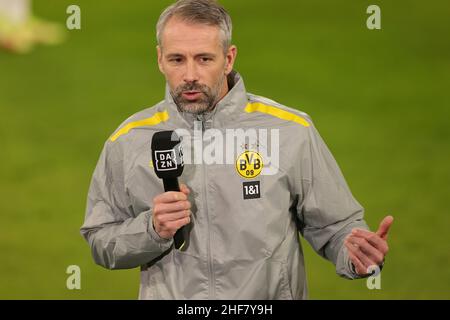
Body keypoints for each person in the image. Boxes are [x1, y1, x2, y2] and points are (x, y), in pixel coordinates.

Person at [80, 0, 393, 299]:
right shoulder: (130, 140)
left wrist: (354, 253)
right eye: (177, 59)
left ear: (228, 59)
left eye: (204, 59)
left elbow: (336, 225)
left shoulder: (290, 131)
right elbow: (100, 239)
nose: (190, 75)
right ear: (160, 59)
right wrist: (152, 229)